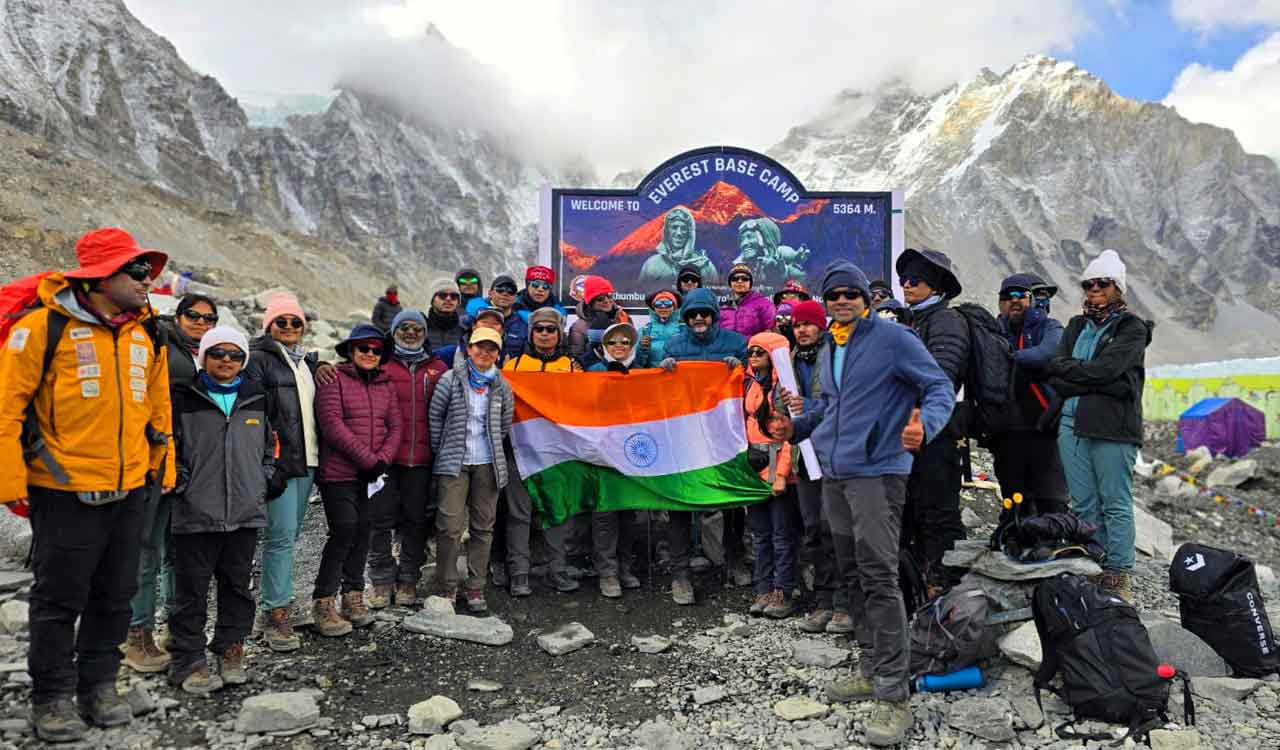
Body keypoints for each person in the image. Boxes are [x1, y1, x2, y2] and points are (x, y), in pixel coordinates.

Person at [770, 259, 954, 747]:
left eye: (852, 293)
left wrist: (924, 428)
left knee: (878, 574)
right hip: (836, 475)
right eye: (835, 295)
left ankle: (895, 696)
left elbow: (939, 388)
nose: (843, 301)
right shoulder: (832, 345)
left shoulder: (894, 340)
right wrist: (798, 428)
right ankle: (872, 669)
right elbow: (830, 407)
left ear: (867, 299)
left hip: (879, 473)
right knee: (851, 571)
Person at [0, 228, 174, 741]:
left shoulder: (147, 332)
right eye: (138, 271)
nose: (149, 280)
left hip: (132, 487)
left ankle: (98, 685)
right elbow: (6, 409)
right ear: (102, 276)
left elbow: (157, 408)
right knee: (58, 598)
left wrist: (160, 468)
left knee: (116, 594)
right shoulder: (43, 328)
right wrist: (13, 482)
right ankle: (51, 697)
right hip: (65, 490)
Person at [168, 327, 284, 694]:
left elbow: (270, 447)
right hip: (195, 511)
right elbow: (171, 447)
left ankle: (231, 648)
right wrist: (183, 483)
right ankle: (189, 658)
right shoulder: (184, 398)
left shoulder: (256, 398)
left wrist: (263, 480)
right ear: (203, 356)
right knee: (191, 590)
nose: (226, 361)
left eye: (235, 355)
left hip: (244, 511)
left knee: (237, 586)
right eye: (218, 353)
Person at [1043, 250, 1152, 600]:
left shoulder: (1131, 328)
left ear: (1117, 287)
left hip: (1112, 427)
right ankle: (1092, 565)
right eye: (1089, 284)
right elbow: (1055, 371)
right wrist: (1089, 378)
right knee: (1083, 502)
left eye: (1103, 283)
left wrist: (1074, 373)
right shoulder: (1076, 325)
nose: (1095, 289)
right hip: (1071, 424)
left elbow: (1108, 370)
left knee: (1114, 501)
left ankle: (1118, 573)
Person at [123, 293, 218, 674]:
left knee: (178, 550)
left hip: (192, 463)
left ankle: (174, 629)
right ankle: (136, 635)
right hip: (158, 458)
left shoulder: (210, 350)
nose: (200, 322)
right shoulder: (159, 341)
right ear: (177, 316)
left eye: (208, 317)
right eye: (192, 315)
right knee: (146, 548)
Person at [244, 293, 329, 653]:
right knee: (279, 537)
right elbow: (257, 417)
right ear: (269, 325)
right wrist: (267, 462)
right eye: (282, 322)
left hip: (306, 460)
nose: (290, 328)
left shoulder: (304, 363)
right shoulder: (259, 361)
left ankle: (274, 606)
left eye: (296, 322)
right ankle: (275, 612)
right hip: (282, 462)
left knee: (288, 535)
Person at [657, 287, 748, 604]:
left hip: (723, 435)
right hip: (685, 435)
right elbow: (659, 390)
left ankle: (734, 559)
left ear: (713, 315)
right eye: (693, 314)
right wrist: (664, 368)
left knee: (731, 501)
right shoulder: (673, 345)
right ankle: (680, 575)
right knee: (680, 504)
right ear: (686, 317)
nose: (699, 318)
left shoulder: (736, 343)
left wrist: (739, 368)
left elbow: (751, 380)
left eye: (704, 313)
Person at [311, 325, 402, 637]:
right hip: (338, 473)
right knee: (344, 530)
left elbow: (395, 426)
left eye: (376, 350)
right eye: (363, 348)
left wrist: (383, 460)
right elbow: (332, 425)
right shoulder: (332, 379)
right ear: (351, 351)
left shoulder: (385, 385)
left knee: (364, 530)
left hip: (372, 474)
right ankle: (323, 602)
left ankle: (353, 596)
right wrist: (369, 459)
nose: (369, 354)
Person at [896, 247, 968, 593]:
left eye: (915, 280)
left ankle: (947, 589)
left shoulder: (945, 322)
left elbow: (942, 379)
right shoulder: (914, 321)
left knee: (937, 511)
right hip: (910, 433)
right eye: (903, 279)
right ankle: (920, 586)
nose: (906, 285)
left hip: (937, 434)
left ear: (936, 287)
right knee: (911, 509)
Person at [429, 328, 515, 614]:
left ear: (497, 353)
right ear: (469, 349)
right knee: (449, 527)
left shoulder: (502, 384)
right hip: (454, 463)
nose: (484, 353)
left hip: (488, 464)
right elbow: (435, 420)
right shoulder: (450, 379)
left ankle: (476, 586)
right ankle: (447, 586)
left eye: (491, 348)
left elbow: (504, 424)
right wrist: (443, 451)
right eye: (480, 346)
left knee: (483, 527)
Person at [367, 310, 449, 610]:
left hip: (422, 459)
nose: (411, 333)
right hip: (384, 459)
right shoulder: (379, 363)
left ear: (425, 333)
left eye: (417, 328)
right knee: (379, 520)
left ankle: (408, 580)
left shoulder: (438, 368)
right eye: (404, 327)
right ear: (394, 330)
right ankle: (380, 581)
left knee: (416, 520)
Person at [497, 308, 579, 596]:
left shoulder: (572, 367)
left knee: (557, 513)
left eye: (551, 329)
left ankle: (558, 570)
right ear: (531, 332)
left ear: (559, 334)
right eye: (539, 329)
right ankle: (519, 573)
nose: (545, 333)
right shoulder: (514, 365)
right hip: (519, 450)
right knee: (519, 514)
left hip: (557, 453)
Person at [787, 300, 852, 635]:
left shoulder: (838, 355)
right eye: (798, 325)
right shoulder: (789, 361)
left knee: (836, 529)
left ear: (821, 326)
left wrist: (809, 406)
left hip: (834, 454)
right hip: (803, 457)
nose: (803, 330)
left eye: (809, 324)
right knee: (812, 529)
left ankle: (844, 602)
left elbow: (845, 402)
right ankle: (823, 600)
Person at [989, 273, 1068, 523]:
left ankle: (1053, 541)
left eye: (1020, 295)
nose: (1013, 301)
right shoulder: (994, 328)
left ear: (1033, 300)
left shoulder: (1050, 326)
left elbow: (1047, 354)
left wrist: (1007, 356)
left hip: (1044, 425)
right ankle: (1014, 539)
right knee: (1012, 494)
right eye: (1006, 296)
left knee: (1050, 496)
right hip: (1006, 429)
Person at [575, 323, 646, 597]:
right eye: (613, 342)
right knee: (604, 514)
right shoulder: (591, 373)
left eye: (625, 343)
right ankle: (607, 572)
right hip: (601, 452)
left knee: (629, 514)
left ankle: (625, 568)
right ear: (604, 346)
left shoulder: (643, 373)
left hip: (633, 453)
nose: (619, 347)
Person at [743, 332, 801, 619]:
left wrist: (781, 474)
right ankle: (763, 587)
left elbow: (789, 434)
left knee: (781, 534)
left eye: (760, 351)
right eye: (750, 351)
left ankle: (784, 590)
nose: (753, 356)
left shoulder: (785, 389)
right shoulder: (750, 383)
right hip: (754, 467)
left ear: (773, 354)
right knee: (760, 533)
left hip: (778, 466)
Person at [568, 276, 630, 368]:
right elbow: (577, 359)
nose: (606, 301)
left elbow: (632, 350)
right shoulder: (579, 326)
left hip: (623, 373)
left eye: (609, 295)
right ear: (590, 302)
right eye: (600, 299)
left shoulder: (623, 318)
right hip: (594, 375)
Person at [465, 276, 527, 361]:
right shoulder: (472, 318)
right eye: (500, 290)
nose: (505, 294)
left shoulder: (523, 324)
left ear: (516, 298)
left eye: (510, 291)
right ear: (490, 293)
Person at [719, 263, 776, 340]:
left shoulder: (764, 304)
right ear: (730, 283)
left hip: (751, 350)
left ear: (750, 283)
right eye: (735, 278)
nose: (739, 281)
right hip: (726, 350)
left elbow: (769, 332)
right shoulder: (722, 305)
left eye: (745, 278)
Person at [636, 290, 682, 368]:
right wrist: (641, 349)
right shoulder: (644, 331)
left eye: (668, 304)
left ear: (674, 307)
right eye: (658, 304)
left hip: (677, 377)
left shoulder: (684, 329)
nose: (663, 307)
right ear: (654, 308)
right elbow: (637, 364)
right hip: (654, 377)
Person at [426, 282, 466, 353]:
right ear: (432, 300)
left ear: (458, 302)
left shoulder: (465, 330)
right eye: (442, 295)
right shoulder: (421, 328)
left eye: (453, 296)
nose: (448, 299)